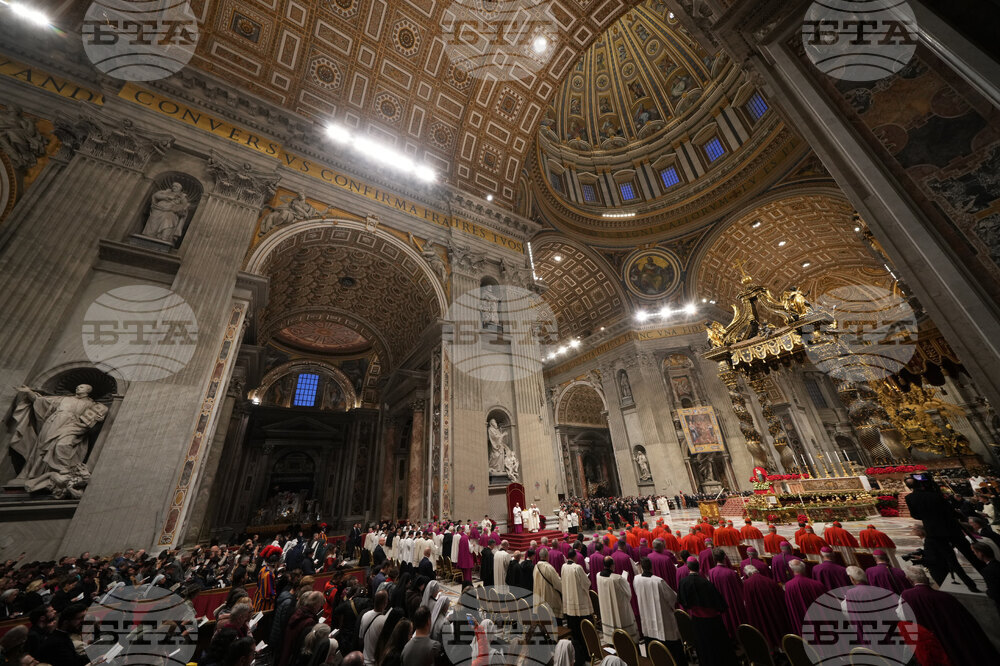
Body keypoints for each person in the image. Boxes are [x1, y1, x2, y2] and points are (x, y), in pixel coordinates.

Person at [898, 565, 999, 664]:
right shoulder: (946, 597)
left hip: (931, 644)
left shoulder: (906, 596)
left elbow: (902, 619)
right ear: (926, 578)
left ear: (909, 579)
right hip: (954, 640)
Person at [676, 557, 738, 666]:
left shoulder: (683, 582)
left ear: (688, 568)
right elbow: (719, 603)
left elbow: (682, 600)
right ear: (698, 567)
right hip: (712, 620)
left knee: (703, 646)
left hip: (697, 620)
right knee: (718, 646)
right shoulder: (705, 583)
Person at [633, 557, 685, 665]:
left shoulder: (636, 579)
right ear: (652, 567)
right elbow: (672, 598)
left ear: (641, 567)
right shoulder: (658, 581)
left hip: (647, 617)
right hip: (663, 619)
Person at [741, 565, 793, 651]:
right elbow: (781, 596)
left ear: (748, 574)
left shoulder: (747, 584)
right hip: (774, 611)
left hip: (760, 613)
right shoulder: (769, 580)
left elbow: (749, 602)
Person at [561, 547, 593, 666]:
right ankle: (585, 655)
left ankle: (576, 654)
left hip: (569, 605)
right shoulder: (577, 568)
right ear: (574, 557)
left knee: (574, 633)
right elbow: (586, 583)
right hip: (579, 605)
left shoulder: (563, 567)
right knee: (582, 633)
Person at [596, 556, 638, 643]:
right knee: (624, 633)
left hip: (606, 609)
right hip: (620, 609)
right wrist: (624, 580)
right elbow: (628, 594)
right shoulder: (617, 578)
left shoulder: (598, 575)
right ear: (612, 565)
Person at [278, 591, 325, 666]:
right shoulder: (310, 621)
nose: (320, 608)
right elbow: (306, 644)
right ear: (315, 604)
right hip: (295, 655)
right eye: (320, 605)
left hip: (287, 650)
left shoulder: (300, 612)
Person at [707, 548, 745, 640]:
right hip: (732, 601)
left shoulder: (711, 572)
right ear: (725, 557)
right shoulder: (731, 573)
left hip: (720, 602)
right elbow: (740, 588)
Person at [783, 559, 827, 635]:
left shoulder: (788, 586)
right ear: (804, 569)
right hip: (819, 620)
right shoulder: (817, 584)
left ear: (791, 570)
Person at [361, 591, 389, 666]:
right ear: (385, 603)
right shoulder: (384, 620)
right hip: (376, 662)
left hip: (364, 659)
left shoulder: (365, 615)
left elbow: (360, 637)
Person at [972, 542, 1000, 617]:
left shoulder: (987, 571)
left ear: (981, 553)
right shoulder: (997, 564)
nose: (974, 554)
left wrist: (988, 591)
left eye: (974, 552)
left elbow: (994, 592)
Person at [533, 548, 562, 619]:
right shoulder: (549, 567)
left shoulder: (536, 567)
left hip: (539, 596)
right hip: (549, 596)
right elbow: (557, 583)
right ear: (546, 556)